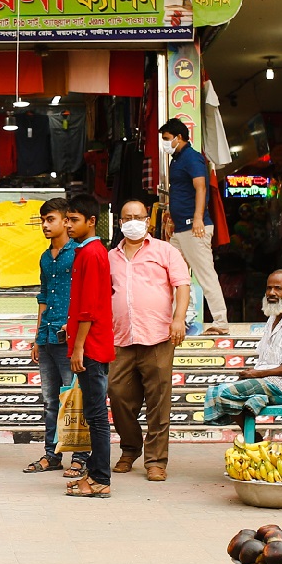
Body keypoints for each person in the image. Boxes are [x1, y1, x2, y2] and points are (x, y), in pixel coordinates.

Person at [108, 200, 190, 482]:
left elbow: (182, 284)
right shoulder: (111, 257)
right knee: (117, 395)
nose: (132, 221)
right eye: (127, 217)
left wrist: (178, 318)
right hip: (120, 337)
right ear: (119, 222)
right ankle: (130, 447)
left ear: (148, 222)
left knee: (158, 402)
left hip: (158, 336)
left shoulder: (166, 251)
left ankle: (155, 460)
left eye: (138, 217)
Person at [23, 198, 90, 479]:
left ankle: (81, 457)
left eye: (50, 219)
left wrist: (80, 343)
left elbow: (87, 297)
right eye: (42, 220)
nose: (45, 225)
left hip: (70, 338)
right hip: (48, 337)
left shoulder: (79, 253)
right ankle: (52, 455)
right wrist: (38, 337)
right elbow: (43, 296)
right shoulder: (44, 257)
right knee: (50, 400)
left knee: (74, 398)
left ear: (66, 221)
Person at [202, 271, 282, 432]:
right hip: (266, 381)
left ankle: (253, 439)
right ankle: (255, 415)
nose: (271, 293)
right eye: (269, 288)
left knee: (224, 393)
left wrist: (258, 374)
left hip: (281, 387)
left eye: (278, 289)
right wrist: (254, 373)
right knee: (213, 391)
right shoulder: (273, 318)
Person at [62, 194, 115, 498]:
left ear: (91, 221)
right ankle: (96, 474)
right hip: (89, 344)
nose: (68, 225)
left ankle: (100, 479)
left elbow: (89, 309)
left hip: (91, 346)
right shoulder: (85, 252)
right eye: (67, 219)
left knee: (96, 416)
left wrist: (78, 347)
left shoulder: (93, 253)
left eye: (74, 220)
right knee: (94, 414)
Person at [160, 118, 228, 336]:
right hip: (180, 229)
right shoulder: (176, 160)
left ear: (178, 137)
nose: (164, 143)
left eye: (167, 139)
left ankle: (221, 322)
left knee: (206, 274)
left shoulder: (192, 158)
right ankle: (183, 318)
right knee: (173, 275)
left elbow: (201, 188)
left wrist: (198, 217)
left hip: (194, 227)